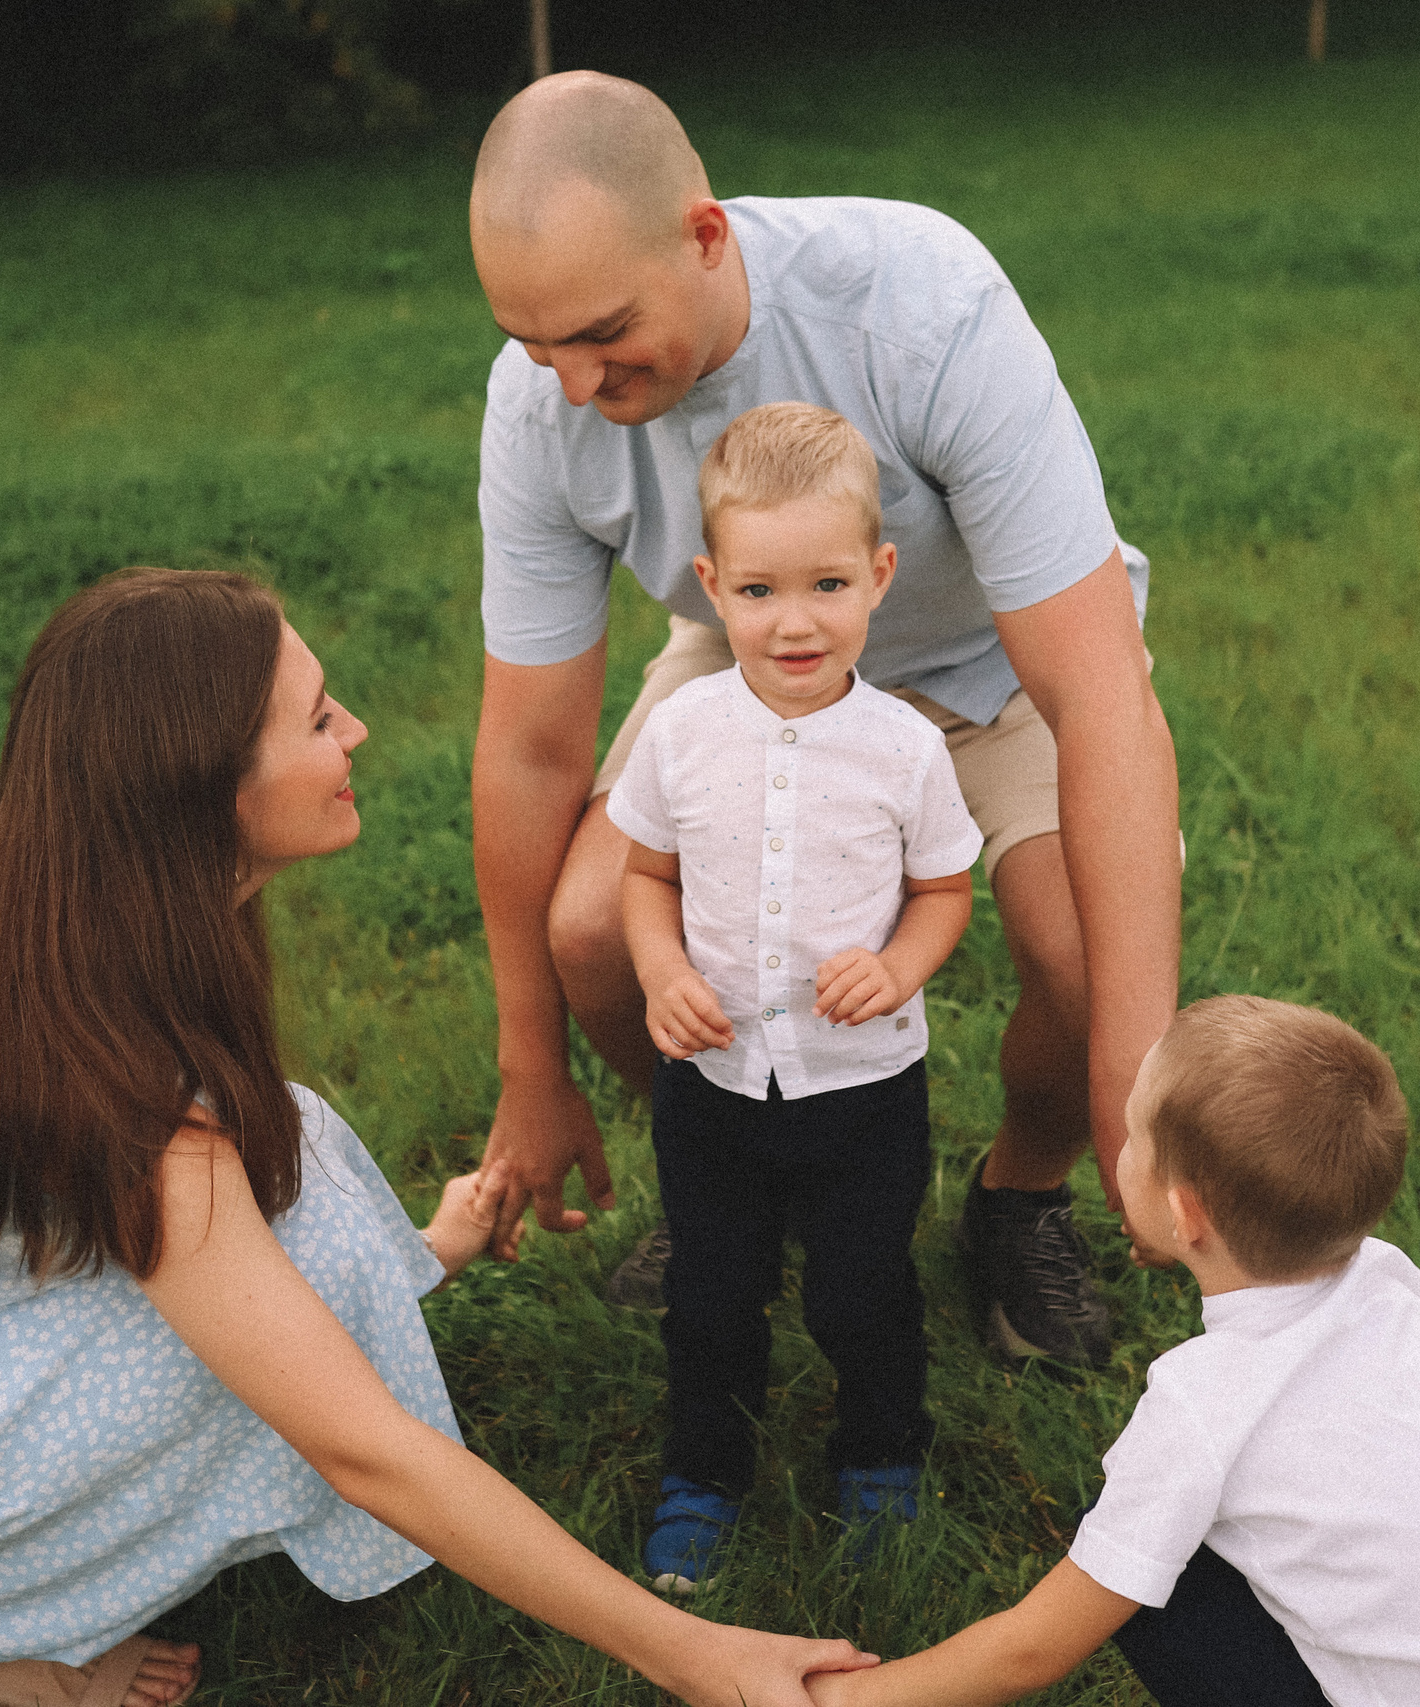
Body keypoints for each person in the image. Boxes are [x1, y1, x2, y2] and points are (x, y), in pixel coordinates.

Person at [0, 569, 875, 1707]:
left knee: (294, 1174)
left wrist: (411, 1252)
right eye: (319, 719)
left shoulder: (52, 891)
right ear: (205, 781)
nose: (358, 735)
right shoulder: (102, 1060)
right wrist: (692, 1652)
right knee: (285, 1291)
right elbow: (362, 1448)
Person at [465, 71, 1182, 1369]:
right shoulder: (539, 408)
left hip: (990, 656)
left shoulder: (917, 301)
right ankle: (741, 1163)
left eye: (602, 330)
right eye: (532, 341)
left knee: (1080, 957)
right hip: (748, 654)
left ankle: (1019, 1194)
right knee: (589, 926)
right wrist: (532, 1067)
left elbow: (1099, 689)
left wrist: (1138, 1080)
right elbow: (529, 744)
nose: (569, 383)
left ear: (703, 234)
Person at [804, 995, 1420, 1707]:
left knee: (1155, 1572)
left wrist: (846, 1699)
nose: (1116, 1154)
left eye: (1131, 1139)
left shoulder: (1204, 1404)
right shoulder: (1388, 1284)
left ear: (1186, 1214)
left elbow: (1035, 1648)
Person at [605, 404, 983, 1591]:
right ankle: (703, 1473)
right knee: (711, 1294)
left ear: (878, 577)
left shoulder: (905, 750)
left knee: (864, 1288)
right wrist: (663, 972)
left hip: (861, 1090)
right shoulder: (680, 732)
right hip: (713, 1086)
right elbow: (644, 877)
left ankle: (879, 1454)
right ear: (713, 587)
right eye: (760, 590)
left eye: (827, 583)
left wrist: (900, 965)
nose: (796, 620)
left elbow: (942, 892)